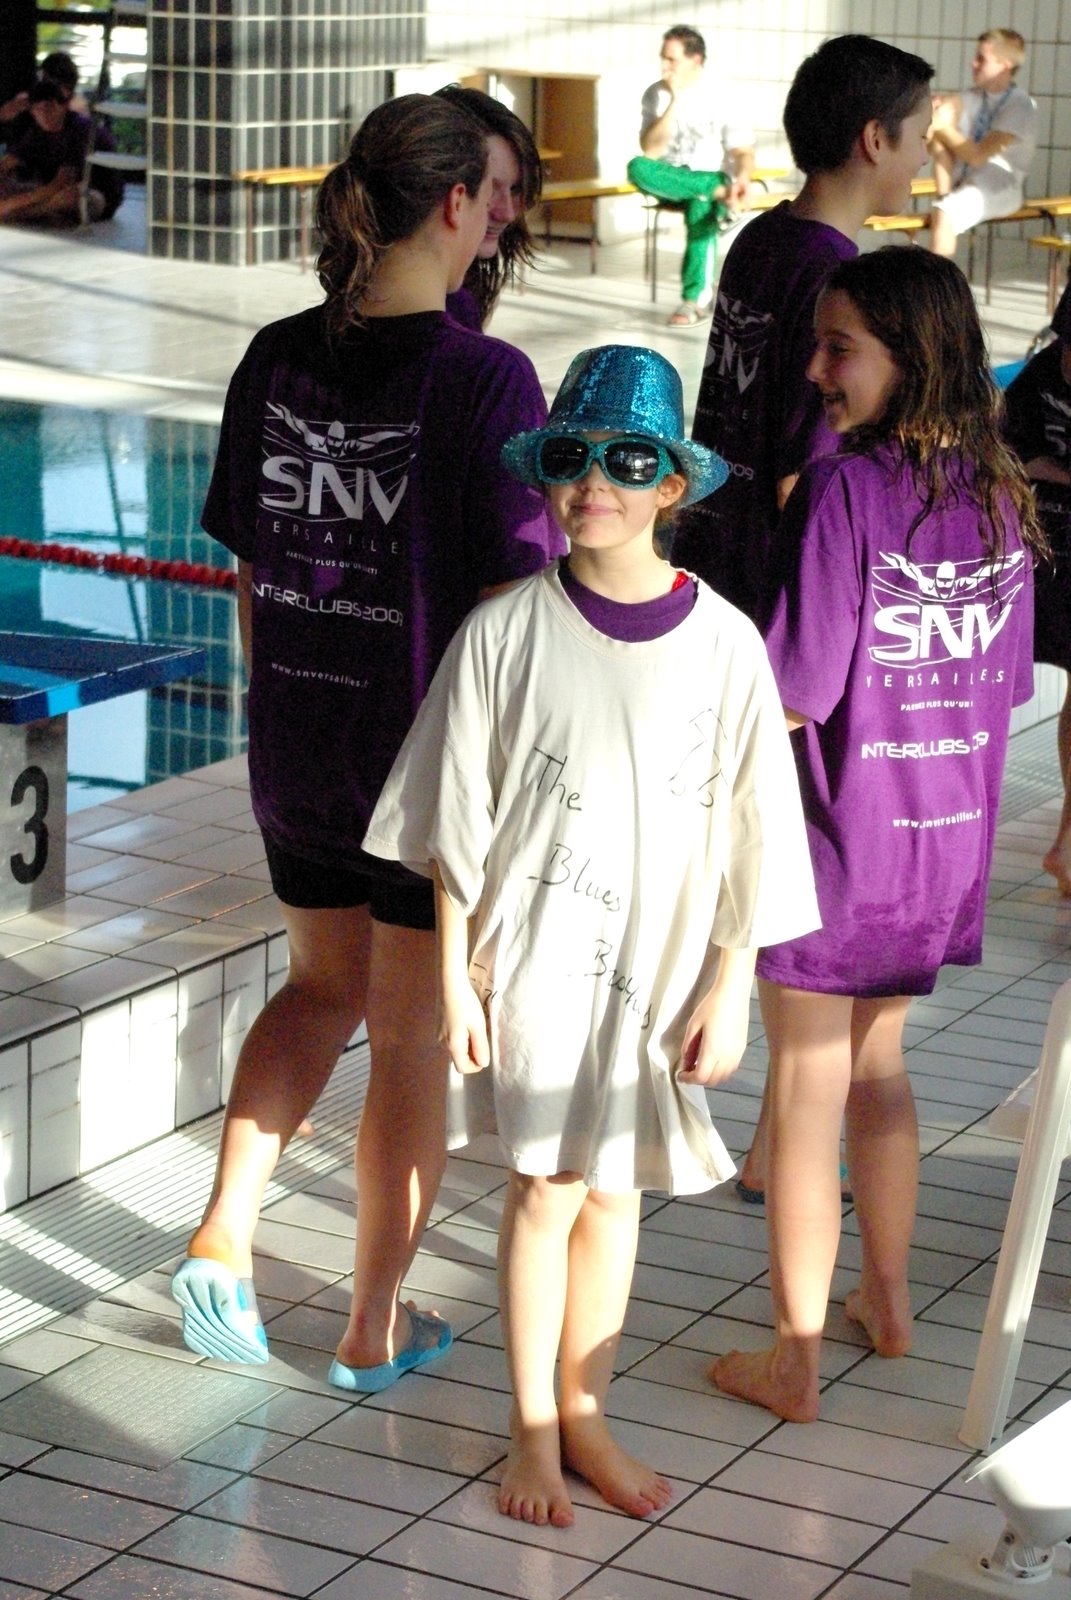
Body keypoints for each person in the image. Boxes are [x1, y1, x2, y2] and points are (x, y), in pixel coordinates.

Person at [364, 344, 819, 1525]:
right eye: (570, 457)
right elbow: (453, 819)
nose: (592, 484)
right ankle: (530, 1427)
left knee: (615, 1191)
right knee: (544, 1188)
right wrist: (454, 976)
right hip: (534, 959)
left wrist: (731, 982)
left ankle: (585, 1413)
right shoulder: (505, 630)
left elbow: (757, 830)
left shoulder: (725, 643)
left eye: (625, 460)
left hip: (659, 967)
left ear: (671, 484)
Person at [170, 93, 562, 1385]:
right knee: (405, 1044)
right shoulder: (483, 378)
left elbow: (246, 565)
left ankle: (221, 1240)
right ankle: (370, 1327)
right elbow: (509, 611)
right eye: (491, 196)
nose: (498, 217)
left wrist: (281, 703)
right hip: (421, 773)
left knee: (318, 989)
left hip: (295, 742)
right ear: (454, 204)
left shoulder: (275, 354)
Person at [710, 247, 1040, 1425]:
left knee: (806, 1086)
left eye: (838, 348)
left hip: (837, 844)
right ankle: (885, 1298)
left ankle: (793, 1361)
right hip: (940, 844)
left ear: (911, 355)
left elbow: (796, 689)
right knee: (880, 1068)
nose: (815, 370)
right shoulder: (1000, 493)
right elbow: (1006, 687)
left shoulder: (845, 491)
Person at [1004, 276, 1071, 891]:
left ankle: (1067, 842)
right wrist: (1033, 465)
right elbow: (994, 449)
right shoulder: (1041, 375)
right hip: (1046, 553)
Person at [626, 25, 755, 327]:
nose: (664, 65)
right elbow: (651, 151)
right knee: (636, 167)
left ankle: (693, 301)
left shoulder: (723, 95)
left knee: (702, 203)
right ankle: (716, 192)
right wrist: (674, 101)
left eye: (672, 59)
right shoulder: (655, 94)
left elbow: (743, 151)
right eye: (663, 58)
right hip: (669, 180)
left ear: (695, 59)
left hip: (710, 174)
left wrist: (743, 180)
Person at [434, 84, 542, 329]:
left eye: (516, 189)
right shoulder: (447, 307)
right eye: (490, 189)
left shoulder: (463, 295)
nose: (507, 213)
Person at [928, 29, 1037, 259]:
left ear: (1005, 65)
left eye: (981, 59)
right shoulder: (973, 96)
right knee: (943, 208)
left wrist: (942, 126)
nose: (973, 63)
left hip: (1001, 186)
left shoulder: (1020, 105)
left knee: (945, 213)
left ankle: (936, 281)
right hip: (963, 183)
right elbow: (936, 133)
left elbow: (978, 156)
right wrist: (936, 109)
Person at [0, 80, 123, 226]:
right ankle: (36, 212)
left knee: (72, 195)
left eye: (49, 108)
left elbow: (62, 182)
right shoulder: (36, 132)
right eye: (38, 109)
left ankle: (26, 213)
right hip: (50, 191)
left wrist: (10, 205)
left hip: (95, 195)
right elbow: (7, 163)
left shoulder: (80, 130)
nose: (44, 114)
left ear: (63, 106)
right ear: (32, 111)